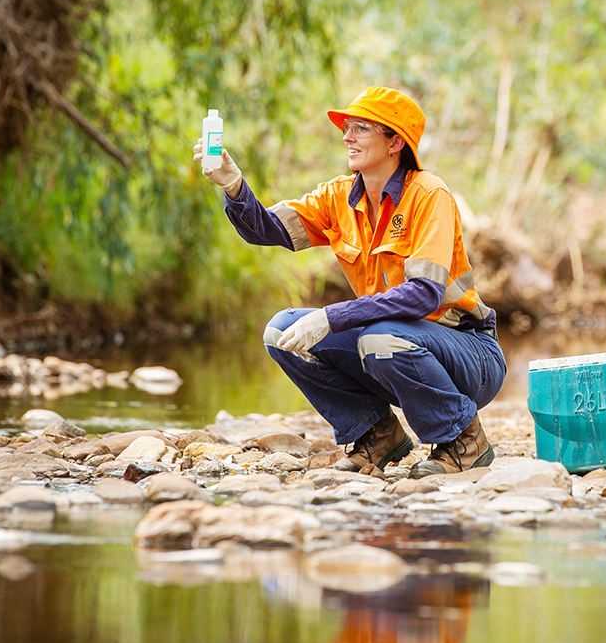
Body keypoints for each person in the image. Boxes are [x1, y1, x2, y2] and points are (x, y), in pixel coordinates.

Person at [193, 86, 504, 478]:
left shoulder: (429, 195)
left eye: (360, 128)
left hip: (469, 353)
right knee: (282, 332)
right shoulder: (339, 196)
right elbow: (267, 230)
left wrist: (330, 316)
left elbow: (424, 294)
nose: (346, 136)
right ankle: (377, 434)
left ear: (395, 142)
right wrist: (233, 184)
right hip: (390, 343)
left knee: (380, 338)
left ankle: (463, 440)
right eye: (346, 127)